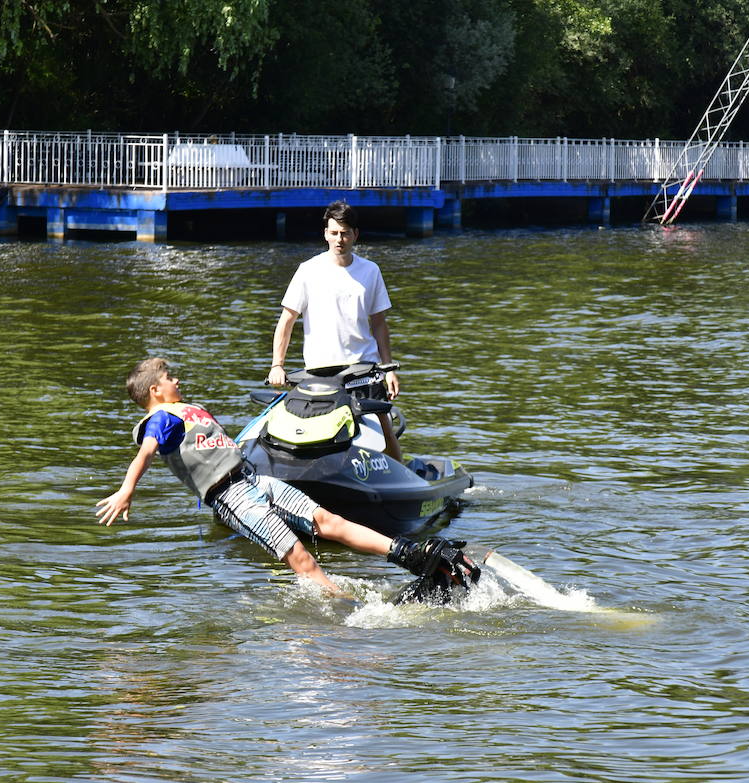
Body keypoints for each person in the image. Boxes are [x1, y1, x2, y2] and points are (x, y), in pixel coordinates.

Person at [95, 357, 476, 596]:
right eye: (169, 376)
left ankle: (407, 554)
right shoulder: (159, 419)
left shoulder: (185, 409)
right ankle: (349, 611)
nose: (176, 379)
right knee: (299, 556)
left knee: (328, 521)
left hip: (252, 481)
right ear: (155, 389)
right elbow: (144, 453)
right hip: (232, 499)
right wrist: (126, 491)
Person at [267, 200, 403, 462]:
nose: (339, 239)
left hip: (364, 369)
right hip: (320, 373)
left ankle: (406, 484)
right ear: (325, 234)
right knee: (316, 435)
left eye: (345, 233)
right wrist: (277, 365)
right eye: (334, 233)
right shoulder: (308, 270)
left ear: (355, 235)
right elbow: (286, 321)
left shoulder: (370, 271)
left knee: (384, 430)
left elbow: (379, 324)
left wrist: (389, 369)